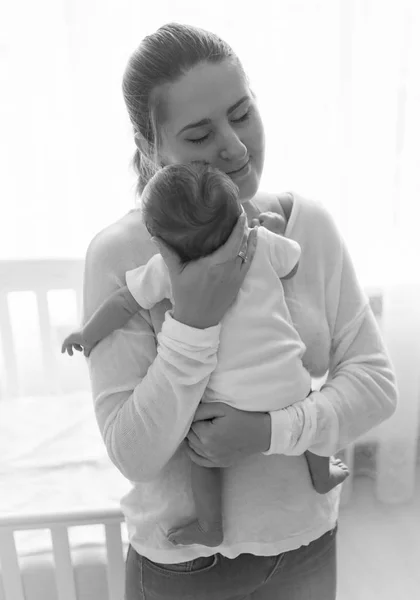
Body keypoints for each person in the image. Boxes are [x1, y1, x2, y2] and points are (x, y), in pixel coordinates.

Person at [83, 22, 397, 600]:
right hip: (181, 568)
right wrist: (192, 325)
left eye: (242, 113)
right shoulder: (120, 256)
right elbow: (134, 455)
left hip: (305, 545)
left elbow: (375, 384)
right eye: (199, 135)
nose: (234, 146)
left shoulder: (307, 229)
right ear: (152, 150)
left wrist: (270, 432)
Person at [63, 162, 349, 548]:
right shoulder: (258, 244)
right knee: (311, 411)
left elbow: (123, 303)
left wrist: (89, 333)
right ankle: (322, 473)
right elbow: (293, 260)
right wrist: (270, 230)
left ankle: (210, 525)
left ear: (159, 240)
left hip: (227, 402)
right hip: (289, 385)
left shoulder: (168, 269)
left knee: (202, 454)